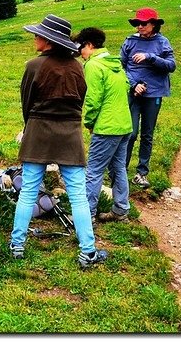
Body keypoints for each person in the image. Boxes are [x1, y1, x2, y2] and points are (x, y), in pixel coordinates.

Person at [9, 14, 108, 269]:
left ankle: (17, 245)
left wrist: (32, 125)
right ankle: (88, 251)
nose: (35, 37)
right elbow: (81, 99)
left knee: (28, 190)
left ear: (48, 40)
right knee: (78, 195)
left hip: (38, 133)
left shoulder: (34, 66)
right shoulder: (77, 67)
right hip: (70, 135)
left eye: (38, 34)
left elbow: (26, 102)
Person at [74, 26, 133, 223]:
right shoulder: (114, 63)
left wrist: (89, 122)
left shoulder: (93, 66)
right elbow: (126, 86)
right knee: (118, 168)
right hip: (124, 124)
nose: (80, 53)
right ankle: (121, 210)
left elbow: (93, 99)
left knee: (93, 170)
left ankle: (87, 215)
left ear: (89, 45)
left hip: (106, 127)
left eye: (81, 46)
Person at [120, 7, 176, 188]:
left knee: (147, 133)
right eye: (137, 23)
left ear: (154, 24)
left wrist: (150, 57)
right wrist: (134, 84)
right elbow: (122, 67)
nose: (140, 27)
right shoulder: (129, 41)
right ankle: (121, 171)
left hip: (154, 93)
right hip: (134, 92)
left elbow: (171, 65)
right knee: (130, 133)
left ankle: (142, 172)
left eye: (143, 23)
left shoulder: (162, 42)